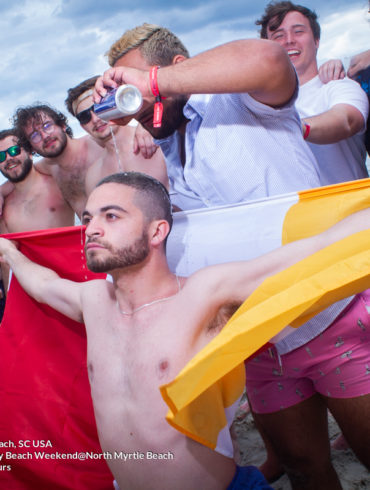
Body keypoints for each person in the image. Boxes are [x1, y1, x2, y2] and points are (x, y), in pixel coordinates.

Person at [0, 171, 368, 490]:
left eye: (111, 216)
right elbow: (43, 284)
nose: (92, 229)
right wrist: (11, 254)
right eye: (88, 217)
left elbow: (318, 248)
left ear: (157, 230)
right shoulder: (93, 301)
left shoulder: (203, 294)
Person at [93, 23, 322, 211]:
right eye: (128, 91)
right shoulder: (172, 140)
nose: (137, 99)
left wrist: (150, 82)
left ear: (178, 67)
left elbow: (270, 58)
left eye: (136, 82)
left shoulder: (236, 100)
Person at [257, 1, 369, 186]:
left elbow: (347, 121)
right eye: (278, 35)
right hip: (291, 213)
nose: (289, 40)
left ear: (316, 41)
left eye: (298, 31)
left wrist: (296, 128)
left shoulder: (337, 84)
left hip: (350, 210)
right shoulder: (256, 104)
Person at [65, 75, 168, 196]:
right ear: (82, 126)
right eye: (84, 117)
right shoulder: (94, 176)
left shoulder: (157, 140)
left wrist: (150, 128)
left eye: (99, 108)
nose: (95, 119)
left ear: (116, 103)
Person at [0, 128, 74, 291]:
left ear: (30, 152)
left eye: (14, 151)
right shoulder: (4, 206)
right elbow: (6, 262)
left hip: (73, 281)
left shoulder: (59, 183)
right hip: (33, 290)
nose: (9, 159)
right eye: (1, 156)